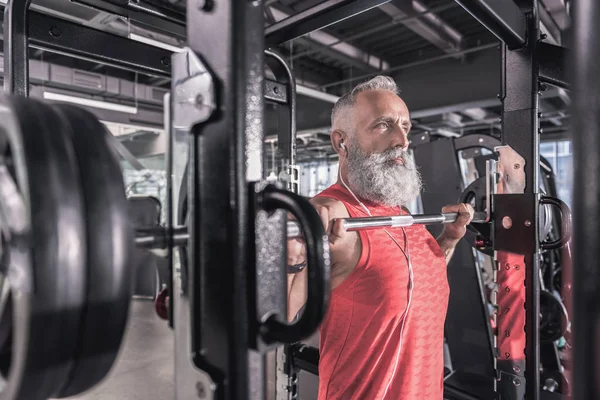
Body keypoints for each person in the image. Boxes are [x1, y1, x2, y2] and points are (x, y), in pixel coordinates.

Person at [287, 75, 474, 400]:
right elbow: (274, 319)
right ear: (340, 142)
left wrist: (448, 240)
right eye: (384, 125)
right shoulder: (333, 219)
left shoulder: (404, 215)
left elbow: (419, 281)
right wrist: (295, 253)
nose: (402, 139)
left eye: (405, 127)